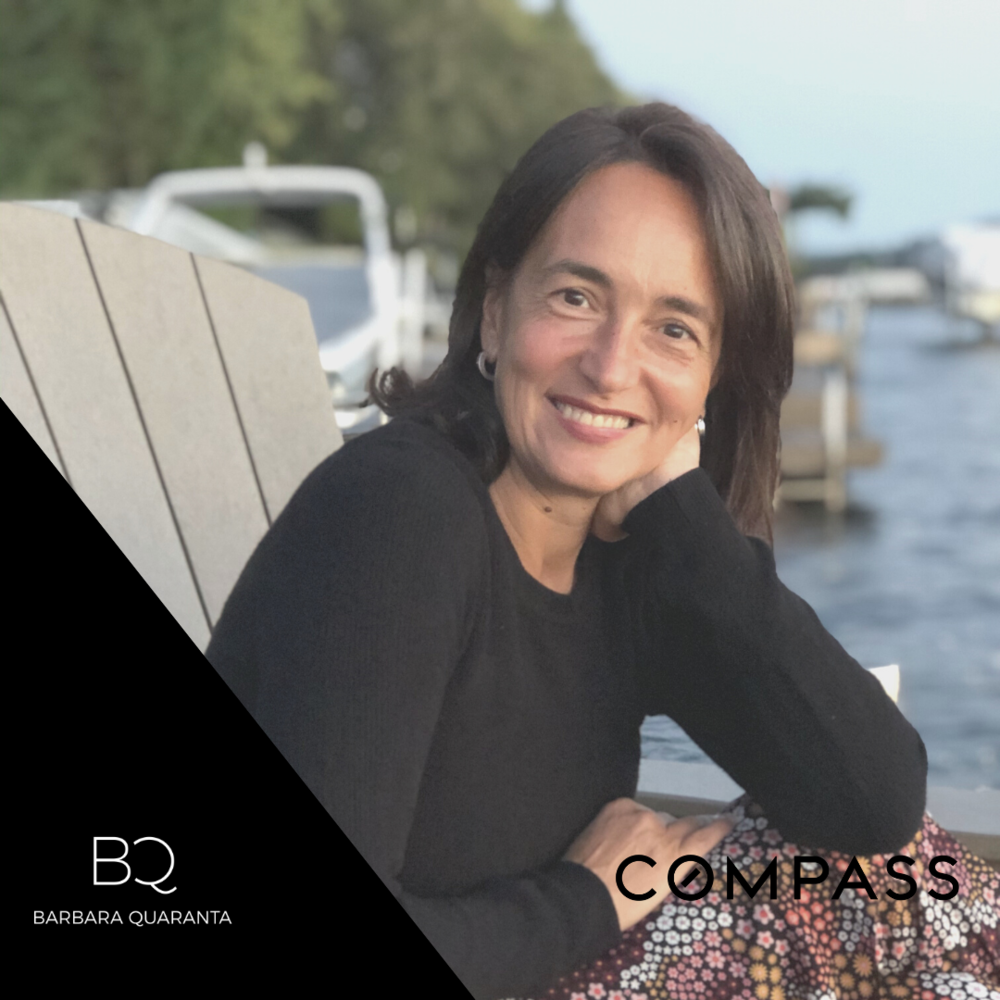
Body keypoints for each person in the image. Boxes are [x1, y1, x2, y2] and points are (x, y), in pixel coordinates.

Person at [207, 104, 998, 999]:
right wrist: (585, 901)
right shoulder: (398, 514)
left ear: (713, 379)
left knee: (900, 885)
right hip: (551, 958)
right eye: (576, 298)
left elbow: (872, 803)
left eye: (675, 330)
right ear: (495, 314)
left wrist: (684, 516)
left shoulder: (632, 559)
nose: (613, 367)